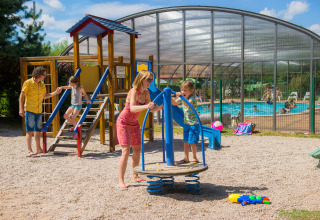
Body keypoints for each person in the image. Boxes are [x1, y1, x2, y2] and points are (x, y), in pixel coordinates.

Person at [117, 70, 163, 191]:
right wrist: (146, 106)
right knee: (126, 151)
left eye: (151, 80)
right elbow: (132, 108)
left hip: (134, 124)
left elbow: (150, 109)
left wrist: (159, 107)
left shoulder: (147, 92)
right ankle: (121, 181)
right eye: (148, 80)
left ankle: (135, 175)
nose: (150, 82)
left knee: (137, 150)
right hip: (123, 123)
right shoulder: (133, 91)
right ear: (141, 79)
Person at [19, 66, 62, 158]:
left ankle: (38, 149)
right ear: (38, 74)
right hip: (29, 110)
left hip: (39, 111)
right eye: (44, 74)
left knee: (38, 131)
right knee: (29, 131)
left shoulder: (42, 84)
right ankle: (29, 151)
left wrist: (55, 92)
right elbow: (22, 96)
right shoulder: (28, 83)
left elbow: (45, 96)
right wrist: (21, 108)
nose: (45, 76)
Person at [172, 80, 200, 165]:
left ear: (191, 91)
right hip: (186, 123)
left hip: (193, 124)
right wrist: (171, 97)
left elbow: (187, 104)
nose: (183, 92)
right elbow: (174, 103)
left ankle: (194, 158)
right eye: (182, 90)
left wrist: (181, 97)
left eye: (185, 90)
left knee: (192, 141)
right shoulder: (182, 97)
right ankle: (186, 158)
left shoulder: (192, 98)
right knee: (185, 141)